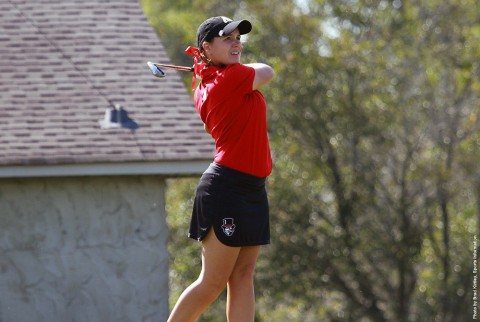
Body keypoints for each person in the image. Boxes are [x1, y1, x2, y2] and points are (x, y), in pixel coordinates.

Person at [167, 16, 275, 322]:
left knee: (243, 275)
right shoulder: (227, 80)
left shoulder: (216, 80)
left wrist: (213, 66)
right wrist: (218, 70)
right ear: (207, 47)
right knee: (212, 282)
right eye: (227, 39)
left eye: (238, 38)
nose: (237, 43)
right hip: (226, 187)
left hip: (252, 187)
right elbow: (268, 70)